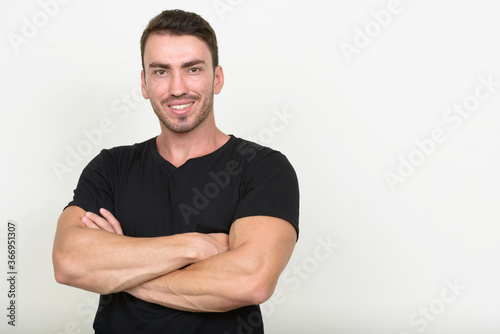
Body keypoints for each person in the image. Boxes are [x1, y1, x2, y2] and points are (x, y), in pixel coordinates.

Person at [52, 9, 299, 334]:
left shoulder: (263, 167)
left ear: (218, 77)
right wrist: (194, 246)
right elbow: (69, 262)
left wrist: (118, 268)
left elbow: (250, 281)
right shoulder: (110, 167)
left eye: (193, 69)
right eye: (160, 72)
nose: (177, 88)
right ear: (144, 83)